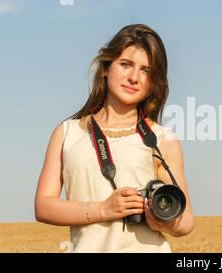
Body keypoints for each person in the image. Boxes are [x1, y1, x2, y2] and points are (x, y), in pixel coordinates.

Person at [34, 24, 194, 253]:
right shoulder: (66, 133)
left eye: (146, 70)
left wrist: (167, 222)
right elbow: (43, 206)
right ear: (106, 68)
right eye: (125, 64)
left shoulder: (162, 139)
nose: (133, 77)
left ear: (153, 83)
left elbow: (187, 220)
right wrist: (103, 209)